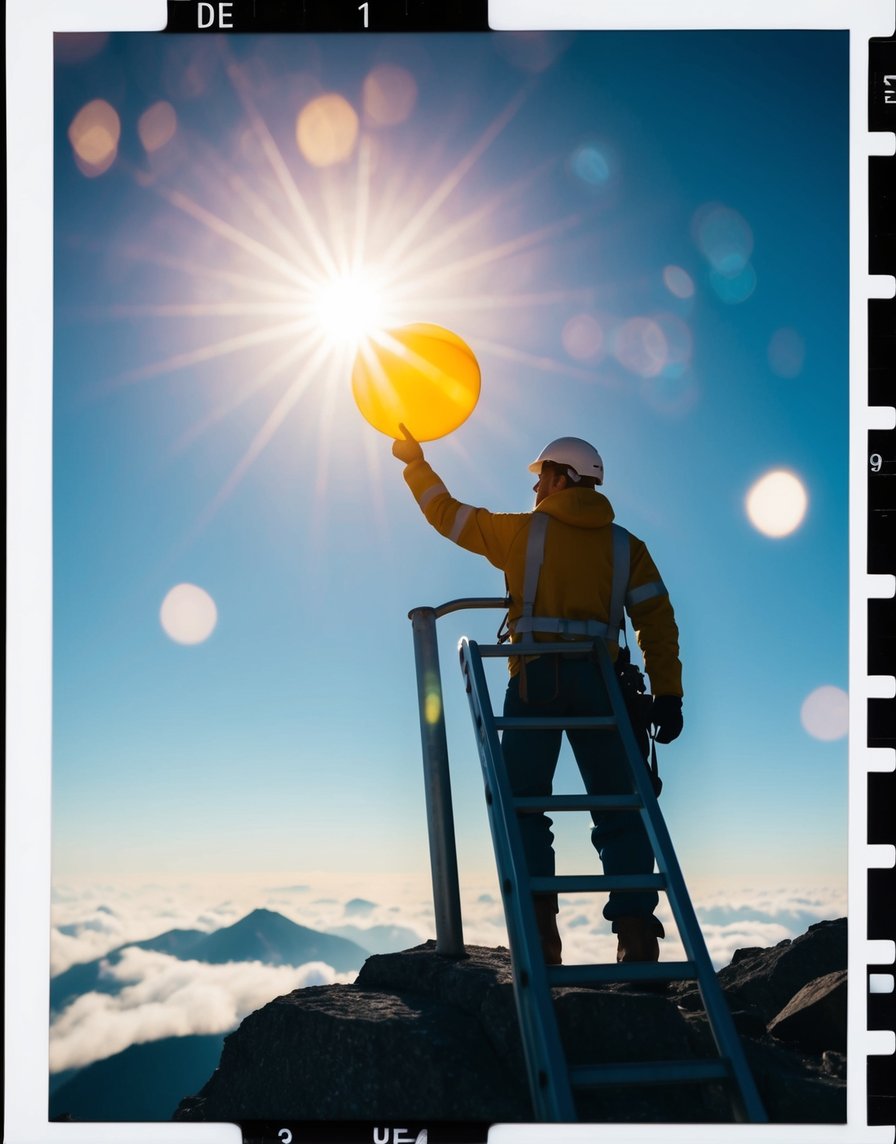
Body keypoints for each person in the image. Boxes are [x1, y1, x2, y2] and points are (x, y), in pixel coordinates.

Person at [392, 427, 683, 965]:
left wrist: (414, 461)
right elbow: (657, 622)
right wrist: (669, 694)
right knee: (619, 808)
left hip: (535, 683)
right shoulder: (626, 546)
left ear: (562, 476)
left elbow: (445, 515)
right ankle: (638, 942)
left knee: (524, 806)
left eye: (541, 476)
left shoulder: (523, 534)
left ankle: (541, 939)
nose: (534, 489)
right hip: (603, 686)